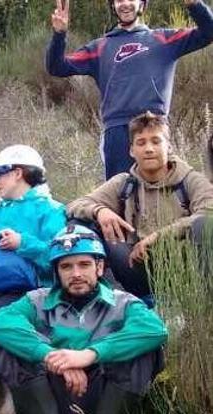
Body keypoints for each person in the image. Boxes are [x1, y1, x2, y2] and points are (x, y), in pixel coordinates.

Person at [0, 225, 167, 414]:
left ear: (99, 266)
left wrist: (88, 355)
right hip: (52, 402)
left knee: (144, 351)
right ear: (56, 272)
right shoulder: (36, 300)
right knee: (10, 349)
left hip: (104, 402)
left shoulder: (124, 302)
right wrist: (51, 355)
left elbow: (155, 330)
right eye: (66, 267)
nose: (76, 274)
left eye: (84, 264)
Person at [47, 0, 213, 179]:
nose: (125, 4)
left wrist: (195, 5)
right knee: (120, 195)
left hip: (155, 128)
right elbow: (57, 67)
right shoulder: (99, 47)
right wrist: (59, 34)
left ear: (142, 4)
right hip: (117, 132)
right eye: (119, 0)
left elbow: (208, 32)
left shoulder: (164, 39)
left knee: (160, 193)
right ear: (113, 6)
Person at [0, 145, 67, 414]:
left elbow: (57, 257)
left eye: (0, 173)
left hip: (34, 289)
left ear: (18, 173)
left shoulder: (52, 210)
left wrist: (23, 243)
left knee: (1, 312)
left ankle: (13, 394)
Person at [67, 112, 213, 303]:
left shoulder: (190, 180)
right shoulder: (124, 183)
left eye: (156, 141)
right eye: (141, 143)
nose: (149, 149)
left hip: (185, 269)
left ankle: (205, 303)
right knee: (81, 223)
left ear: (168, 146)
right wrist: (99, 211)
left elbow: (209, 212)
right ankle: (107, 301)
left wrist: (159, 236)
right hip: (137, 267)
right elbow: (74, 205)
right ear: (131, 150)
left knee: (205, 225)